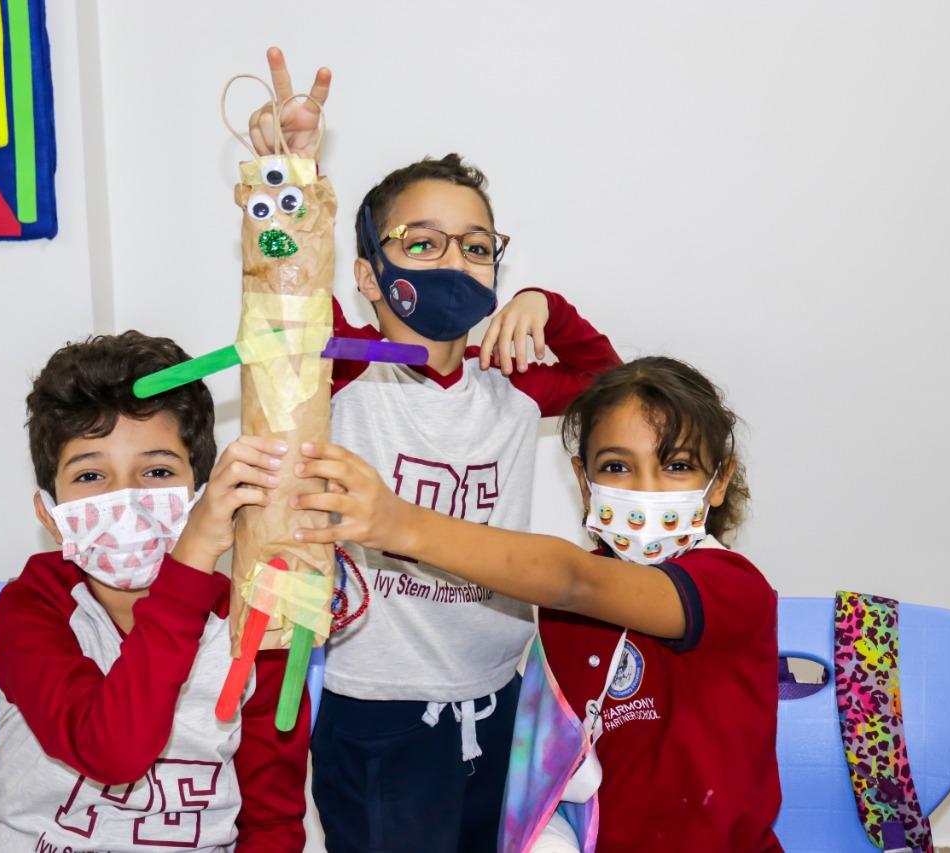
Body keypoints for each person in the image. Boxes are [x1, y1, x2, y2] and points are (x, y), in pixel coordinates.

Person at [245, 48, 621, 852]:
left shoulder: (509, 384)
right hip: (378, 712)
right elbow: (284, 298)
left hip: (504, 697)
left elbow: (620, 395)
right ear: (371, 276)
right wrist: (289, 178)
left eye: (477, 246)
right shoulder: (342, 367)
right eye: (422, 243)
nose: (455, 261)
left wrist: (543, 308)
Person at [293, 356, 783, 852]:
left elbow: (574, 580)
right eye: (617, 466)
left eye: (677, 466)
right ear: (584, 481)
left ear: (719, 482)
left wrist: (401, 524)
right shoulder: (561, 619)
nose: (644, 490)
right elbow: (555, 767)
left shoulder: (731, 589)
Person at [0, 331, 308, 852]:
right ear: (50, 514)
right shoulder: (32, 609)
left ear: (201, 493)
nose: (126, 499)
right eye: (90, 475)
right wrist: (192, 561)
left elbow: (272, 822)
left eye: (156, 471)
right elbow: (114, 751)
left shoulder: (253, 616)